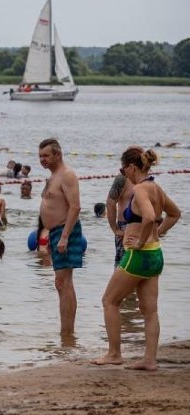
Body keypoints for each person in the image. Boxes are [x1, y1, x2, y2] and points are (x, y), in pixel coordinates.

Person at [93, 147, 181, 370]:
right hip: (155, 254)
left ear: (131, 167)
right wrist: (156, 235)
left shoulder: (141, 189)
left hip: (139, 255)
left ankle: (114, 353)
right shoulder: (156, 187)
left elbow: (150, 217)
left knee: (109, 301)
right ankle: (150, 360)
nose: (123, 173)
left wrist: (141, 241)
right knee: (149, 309)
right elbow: (175, 214)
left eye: (123, 169)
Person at [38, 138, 83, 340]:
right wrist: (48, 237)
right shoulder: (52, 176)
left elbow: (75, 207)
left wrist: (64, 236)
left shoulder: (67, 175)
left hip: (66, 231)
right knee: (62, 283)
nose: (42, 160)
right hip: (55, 232)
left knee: (63, 283)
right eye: (40, 156)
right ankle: (66, 332)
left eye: (46, 155)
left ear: (58, 154)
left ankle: (67, 333)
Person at [106, 173, 134, 268]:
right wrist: (115, 229)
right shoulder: (123, 178)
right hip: (125, 227)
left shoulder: (145, 178)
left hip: (143, 227)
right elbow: (110, 203)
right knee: (123, 265)